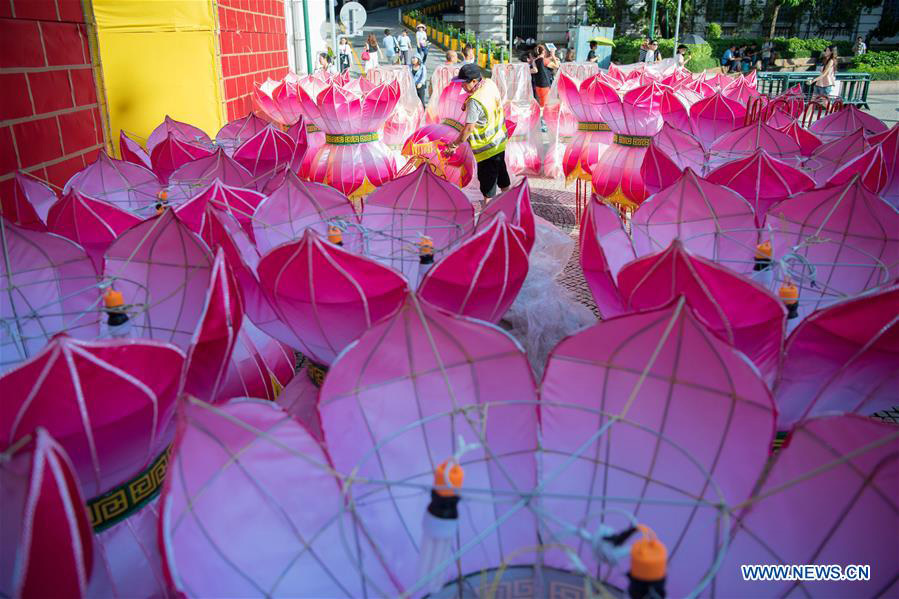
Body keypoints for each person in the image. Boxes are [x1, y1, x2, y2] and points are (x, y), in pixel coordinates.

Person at [446, 64, 510, 205]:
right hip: (499, 141)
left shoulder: (475, 101)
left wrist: (454, 145)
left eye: (465, 82)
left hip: (486, 148)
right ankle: (511, 203)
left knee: (487, 186)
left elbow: (468, 129)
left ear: (474, 81)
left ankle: (487, 215)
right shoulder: (489, 83)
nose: (462, 85)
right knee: (501, 173)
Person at [528, 44, 552, 109]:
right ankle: (541, 117)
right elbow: (556, 65)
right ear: (543, 52)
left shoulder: (535, 61)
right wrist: (553, 56)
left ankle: (539, 116)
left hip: (537, 85)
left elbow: (535, 70)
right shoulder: (544, 60)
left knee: (540, 102)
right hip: (544, 84)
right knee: (544, 104)